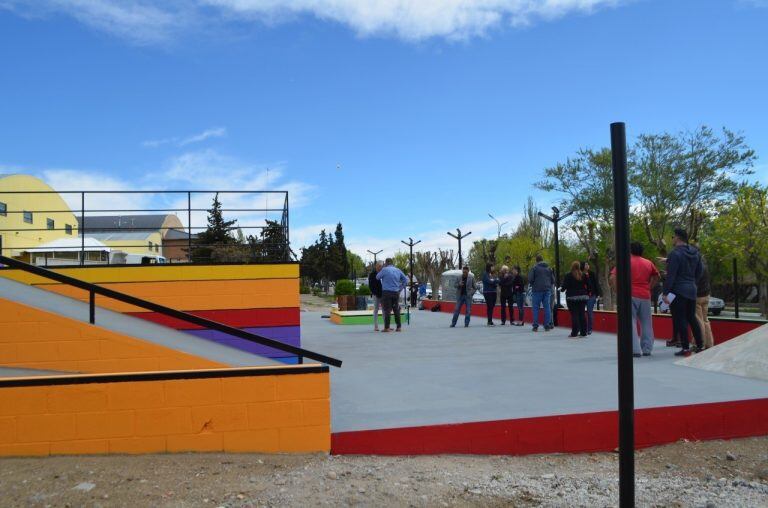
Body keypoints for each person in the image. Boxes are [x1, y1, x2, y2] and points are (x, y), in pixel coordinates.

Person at [611, 242, 660, 357]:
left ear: (630, 250)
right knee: (646, 322)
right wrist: (649, 286)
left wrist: (617, 290)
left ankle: (635, 350)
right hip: (645, 295)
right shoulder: (648, 262)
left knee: (630, 322)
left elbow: (612, 277)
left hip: (629, 295)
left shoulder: (625, 261)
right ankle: (647, 349)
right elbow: (657, 276)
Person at [662, 229, 704, 356]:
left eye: (673, 236)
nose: (672, 239)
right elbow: (700, 271)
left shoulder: (675, 254)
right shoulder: (696, 253)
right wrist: (692, 282)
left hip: (678, 290)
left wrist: (665, 292)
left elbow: (671, 275)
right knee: (692, 317)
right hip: (692, 289)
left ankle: (685, 348)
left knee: (681, 319)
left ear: (678, 238)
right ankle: (700, 345)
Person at [376, 258, 409, 333]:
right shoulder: (398, 270)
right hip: (396, 292)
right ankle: (399, 327)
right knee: (396, 309)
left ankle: (387, 328)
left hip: (386, 292)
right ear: (392, 263)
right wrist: (400, 288)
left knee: (387, 310)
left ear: (386, 263)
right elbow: (405, 280)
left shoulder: (385, 270)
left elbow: (377, 277)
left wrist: (380, 269)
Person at [560, 261, 589, 337]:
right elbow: (588, 285)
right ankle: (584, 332)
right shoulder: (583, 275)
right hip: (582, 297)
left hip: (571, 297)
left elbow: (564, 286)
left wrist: (562, 289)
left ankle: (574, 333)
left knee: (574, 315)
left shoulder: (568, 275)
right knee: (582, 314)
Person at [528, 254, 555, 332]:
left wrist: (534, 283)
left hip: (537, 290)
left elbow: (530, 279)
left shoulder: (534, 268)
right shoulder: (548, 268)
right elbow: (553, 280)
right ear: (542, 260)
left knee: (536, 308)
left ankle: (535, 326)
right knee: (547, 307)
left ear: (536, 261)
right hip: (547, 290)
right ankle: (547, 325)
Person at [695, 256, 715, 350]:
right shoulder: (705, 267)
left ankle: (700, 343)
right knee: (705, 320)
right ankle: (709, 343)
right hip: (706, 295)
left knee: (699, 321)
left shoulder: (697, 268)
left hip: (697, 297)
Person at [581, 261, 600, 335]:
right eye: (586, 264)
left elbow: (596, 283)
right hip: (582, 295)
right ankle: (583, 328)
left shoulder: (592, 273)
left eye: (588, 264)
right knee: (581, 312)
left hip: (591, 295)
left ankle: (590, 329)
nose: (587, 266)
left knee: (589, 312)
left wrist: (598, 294)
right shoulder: (580, 274)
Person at [367, 262, 383, 331]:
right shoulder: (372, 274)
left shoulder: (383, 273)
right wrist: (375, 293)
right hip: (376, 294)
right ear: (376, 266)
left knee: (385, 310)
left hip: (383, 294)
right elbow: (371, 285)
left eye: (381, 266)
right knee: (376, 309)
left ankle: (386, 325)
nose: (380, 267)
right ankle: (376, 326)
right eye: (379, 266)